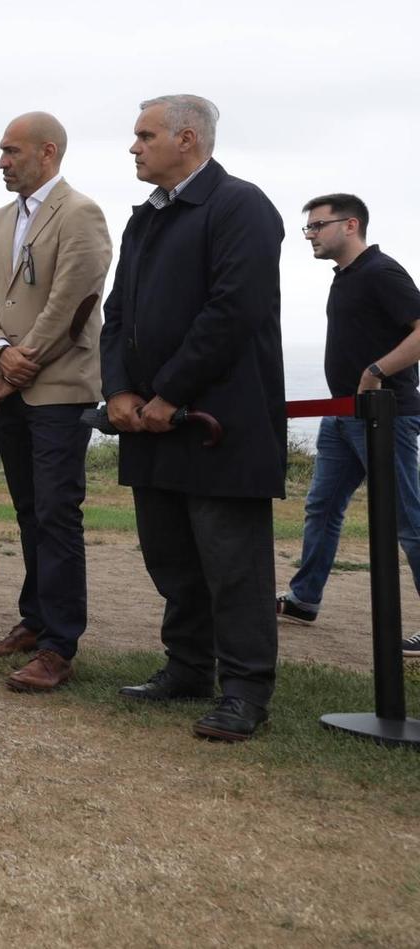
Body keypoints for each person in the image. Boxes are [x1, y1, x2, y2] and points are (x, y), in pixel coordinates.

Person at [102, 95, 287, 741]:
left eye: (145, 135)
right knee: (171, 557)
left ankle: (245, 691)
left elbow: (233, 310)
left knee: (232, 566)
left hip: (217, 423)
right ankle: (187, 668)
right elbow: (117, 314)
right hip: (150, 423)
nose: (134, 146)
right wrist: (120, 391)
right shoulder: (145, 218)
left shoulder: (241, 206)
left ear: (187, 139)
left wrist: (169, 392)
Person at [0, 112, 112, 693]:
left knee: (56, 513)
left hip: (58, 388)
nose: (1, 162)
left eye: (11, 151)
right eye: (1, 151)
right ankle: (35, 621)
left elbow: (74, 300)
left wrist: (21, 362)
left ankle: (59, 646)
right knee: (29, 510)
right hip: (10, 381)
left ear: (47, 152)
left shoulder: (80, 213)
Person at [279, 194, 420, 656]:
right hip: (342, 415)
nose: (310, 235)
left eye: (317, 226)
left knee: (408, 520)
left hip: (385, 414)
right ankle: (304, 600)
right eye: (308, 228)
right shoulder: (345, 277)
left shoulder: (381, 272)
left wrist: (376, 371)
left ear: (351, 224)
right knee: (321, 507)